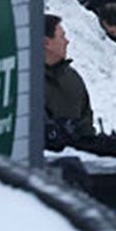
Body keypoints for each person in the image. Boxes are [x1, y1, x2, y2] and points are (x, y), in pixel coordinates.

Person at [42, 14, 94, 148]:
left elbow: (86, 120)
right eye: (62, 36)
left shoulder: (72, 79)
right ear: (46, 43)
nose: (67, 41)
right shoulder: (26, 82)